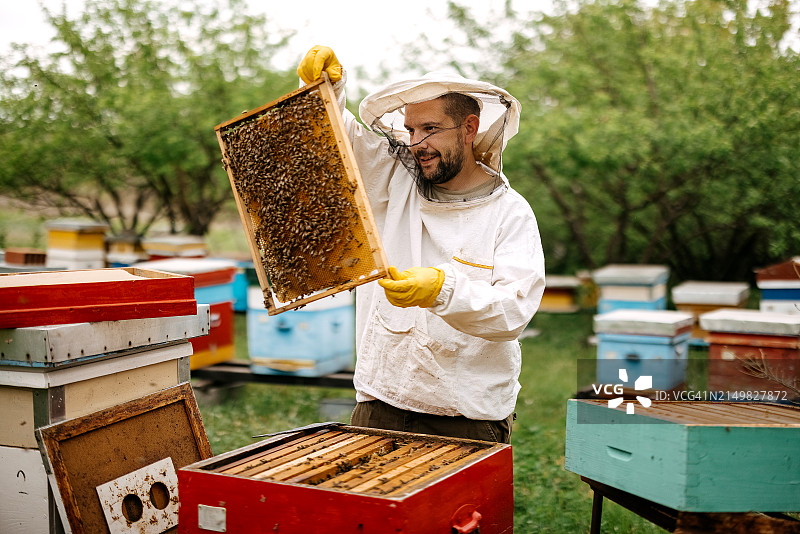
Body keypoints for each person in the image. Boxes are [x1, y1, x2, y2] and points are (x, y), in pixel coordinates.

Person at [297, 46, 545, 443]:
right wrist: (324, 88)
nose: (417, 143)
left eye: (430, 128)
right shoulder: (396, 178)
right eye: (411, 130)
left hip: (467, 413)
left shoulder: (510, 213)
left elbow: (514, 312)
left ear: (469, 127)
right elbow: (338, 140)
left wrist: (443, 290)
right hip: (381, 398)